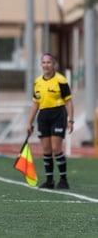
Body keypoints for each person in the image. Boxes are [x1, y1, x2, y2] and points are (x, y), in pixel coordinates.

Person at [26, 53, 74, 189]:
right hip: (43, 116)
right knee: (46, 149)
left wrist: (71, 120)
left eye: (49, 62)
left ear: (53, 64)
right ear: (41, 65)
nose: (46, 65)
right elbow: (35, 103)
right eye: (44, 62)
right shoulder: (37, 82)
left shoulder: (61, 80)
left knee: (56, 148)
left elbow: (69, 102)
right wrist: (29, 122)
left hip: (58, 114)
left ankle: (64, 180)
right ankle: (49, 181)